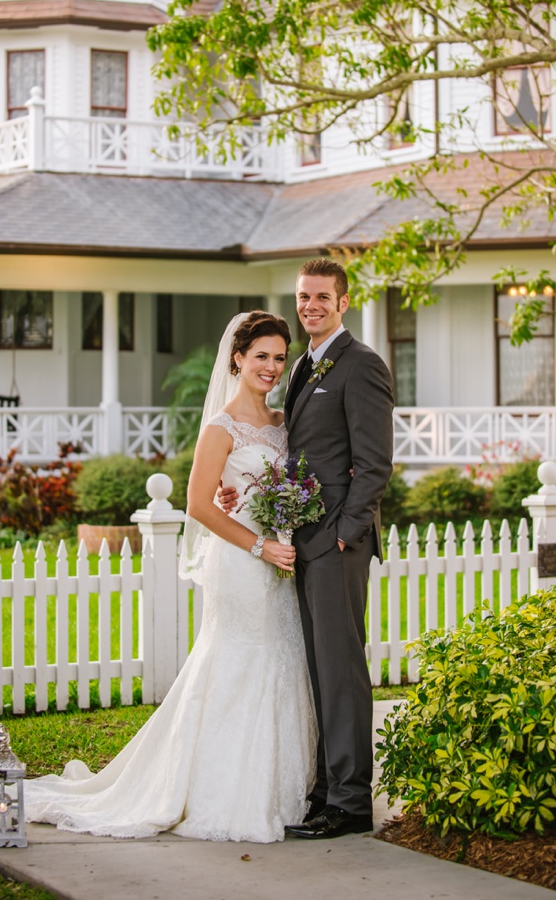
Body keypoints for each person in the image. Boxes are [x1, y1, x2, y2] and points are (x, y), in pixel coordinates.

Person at [24, 311, 317, 842]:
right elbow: (199, 506)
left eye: (279, 358)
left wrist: (282, 524)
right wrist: (258, 544)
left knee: (283, 658)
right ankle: (221, 790)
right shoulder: (220, 427)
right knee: (236, 661)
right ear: (238, 359)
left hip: (281, 558)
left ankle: (285, 787)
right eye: (261, 357)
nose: (272, 367)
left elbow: (272, 486)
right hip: (243, 562)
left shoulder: (282, 423)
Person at [220, 259, 394, 840]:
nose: (311, 305)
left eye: (322, 296)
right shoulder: (302, 367)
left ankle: (350, 804)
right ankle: (326, 791)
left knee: (341, 670)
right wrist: (245, 491)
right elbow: (294, 454)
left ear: (344, 302)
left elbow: (374, 464)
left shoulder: (361, 365)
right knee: (320, 669)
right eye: (303, 296)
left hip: (336, 542)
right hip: (304, 539)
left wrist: (344, 532)